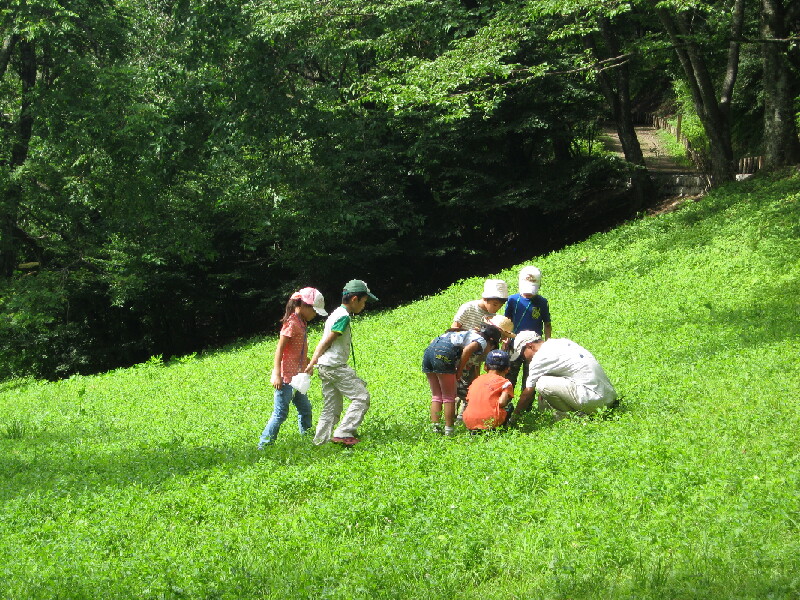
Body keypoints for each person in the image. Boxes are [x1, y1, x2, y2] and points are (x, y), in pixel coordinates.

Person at [306, 279, 378, 447]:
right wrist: (313, 360)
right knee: (361, 397)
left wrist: (315, 363)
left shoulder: (336, 313)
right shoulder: (343, 317)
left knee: (331, 407)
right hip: (335, 366)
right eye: (364, 301)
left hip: (325, 366)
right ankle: (344, 432)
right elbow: (326, 342)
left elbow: (324, 342)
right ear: (354, 299)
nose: (364, 306)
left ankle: (320, 442)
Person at [258, 287, 327, 449]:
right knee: (280, 413)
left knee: (305, 409)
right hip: (286, 377)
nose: (315, 314)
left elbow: (298, 349)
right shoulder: (291, 323)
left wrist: (308, 363)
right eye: (314, 311)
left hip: (298, 377)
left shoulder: (301, 323)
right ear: (303, 306)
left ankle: (308, 438)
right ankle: (264, 445)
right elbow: (280, 349)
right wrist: (276, 374)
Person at [508, 332, 617, 423]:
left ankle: (577, 417)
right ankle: (571, 414)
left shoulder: (539, 358)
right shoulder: (561, 342)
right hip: (608, 396)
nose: (524, 359)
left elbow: (528, 393)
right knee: (544, 393)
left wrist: (513, 419)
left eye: (522, 355)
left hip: (595, 400)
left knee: (542, 383)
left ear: (529, 346)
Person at [422, 324, 502, 435]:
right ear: (491, 340)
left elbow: (433, 342)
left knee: (436, 396)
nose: (489, 350)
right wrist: (459, 370)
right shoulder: (482, 340)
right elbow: (468, 349)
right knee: (449, 397)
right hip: (444, 353)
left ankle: (435, 428)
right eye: (492, 347)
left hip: (429, 352)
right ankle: (449, 430)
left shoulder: (463, 333)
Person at [451, 279, 508, 414]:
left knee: (472, 386)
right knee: (457, 387)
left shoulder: (494, 316)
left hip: (476, 359)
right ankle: (455, 416)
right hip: (461, 354)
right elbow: (453, 329)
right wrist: (472, 334)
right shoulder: (468, 308)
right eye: (494, 304)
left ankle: (464, 415)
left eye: (499, 306)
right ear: (485, 299)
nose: (496, 309)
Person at [504, 266, 552, 393]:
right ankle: (506, 407)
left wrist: (548, 344)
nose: (529, 293)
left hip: (533, 346)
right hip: (514, 344)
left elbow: (547, 324)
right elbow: (506, 321)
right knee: (509, 377)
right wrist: (505, 340)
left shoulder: (542, 302)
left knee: (530, 378)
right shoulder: (513, 300)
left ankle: (526, 408)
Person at [463, 350, 515, 433]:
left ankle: (474, 429)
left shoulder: (476, 380)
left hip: (469, 421)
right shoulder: (505, 383)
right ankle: (499, 430)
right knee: (510, 407)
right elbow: (501, 402)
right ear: (507, 369)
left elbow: (468, 400)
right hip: (491, 422)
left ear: (485, 367)